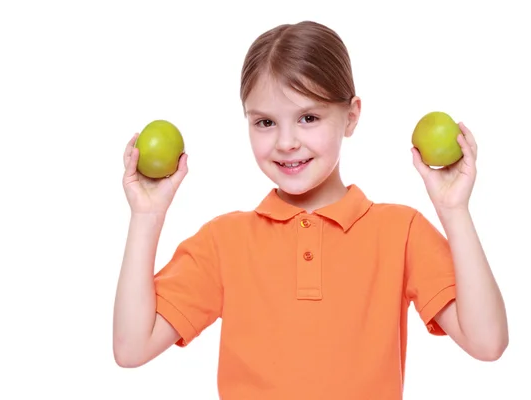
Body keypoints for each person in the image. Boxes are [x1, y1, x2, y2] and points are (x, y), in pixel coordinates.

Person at [112, 20, 509, 399]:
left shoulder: (400, 232)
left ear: (351, 116)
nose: (286, 142)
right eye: (265, 122)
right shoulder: (223, 242)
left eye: (308, 117)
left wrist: (454, 210)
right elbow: (132, 348)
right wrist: (147, 218)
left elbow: (487, 342)